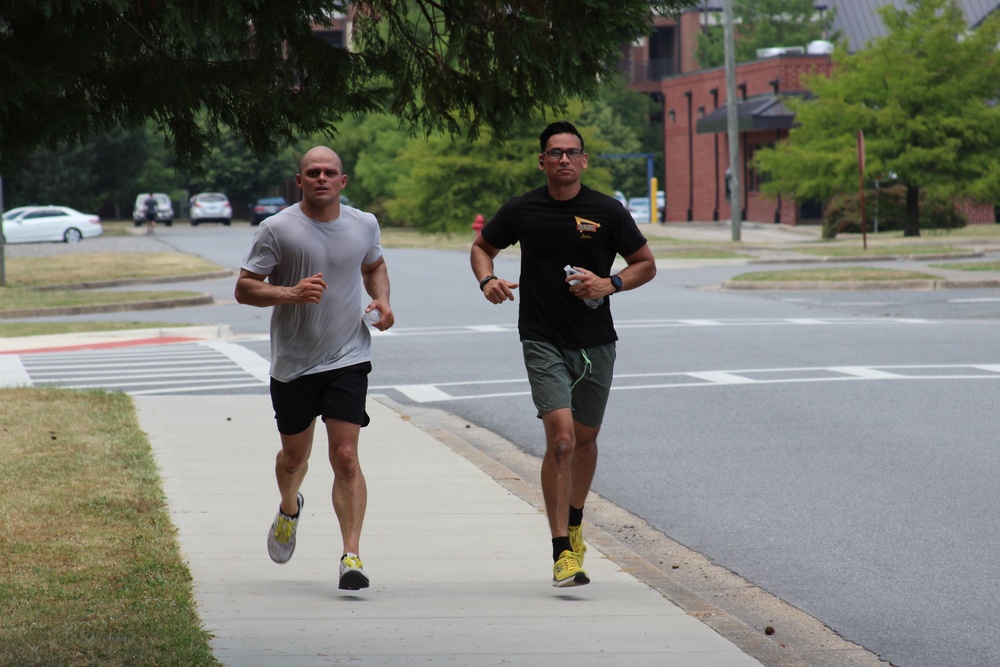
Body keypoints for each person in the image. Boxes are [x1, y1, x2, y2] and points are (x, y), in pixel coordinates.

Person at [470, 121, 656, 587]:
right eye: (555, 153)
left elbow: (646, 265)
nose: (564, 160)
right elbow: (482, 247)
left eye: (572, 152)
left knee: (587, 441)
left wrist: (608, 283)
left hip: (596, 341)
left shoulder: (607, 211)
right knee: (562, 441)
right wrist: (487, 279)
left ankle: (575, 523)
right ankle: (561, 552)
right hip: (541, 338)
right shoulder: (522, 208)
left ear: (584, 160)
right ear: (542, 161)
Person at [235, 146, 393, 591]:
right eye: (313, 172)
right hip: (293, 364)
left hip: (348, 356)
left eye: (330, 172)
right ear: (299, 180)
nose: (321, 178)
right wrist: (290, 293)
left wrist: (382, 299)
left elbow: (374, 264)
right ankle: (289, 507)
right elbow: (245, 288)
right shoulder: (277, 228)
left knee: (345, 456)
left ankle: (351, 556)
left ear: (343, 181)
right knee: (294, 458)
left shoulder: (364, 224)